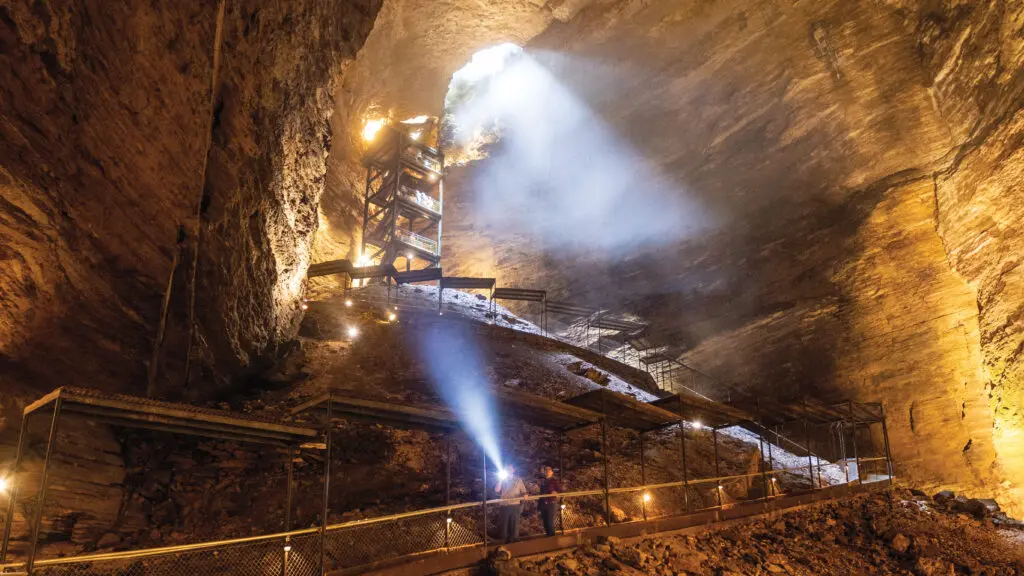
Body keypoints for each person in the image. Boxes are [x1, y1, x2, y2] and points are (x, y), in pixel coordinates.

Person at [494, 463, 527, 543]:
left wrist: (525, 495)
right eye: (507, 469)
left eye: (510, 468)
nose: (508, 470)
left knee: (514, 523)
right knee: (504, 524)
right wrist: (500, 481)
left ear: (513, 470)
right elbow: (497, 490)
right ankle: (504, 541)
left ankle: (514, 540)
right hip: (504, 505)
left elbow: (524, 491)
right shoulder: (502, 480)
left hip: (515, 505)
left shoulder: (518, 480)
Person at [537, 465, 562, 537]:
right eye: (546, 470)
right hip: (544, 504)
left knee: (549, 521)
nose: (547, 471)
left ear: (552, 472)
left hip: (551, 503)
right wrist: (539, 505)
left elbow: (560, 490)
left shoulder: (554, 481)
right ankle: (548, 536)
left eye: (548, 470)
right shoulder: (543, 482)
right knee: (545, 521)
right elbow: (541, 494)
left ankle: (552, 537)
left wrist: (556, 492)